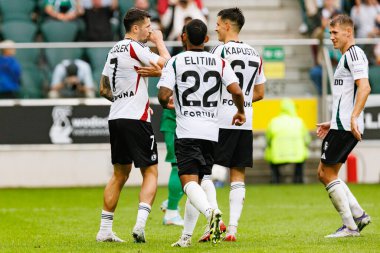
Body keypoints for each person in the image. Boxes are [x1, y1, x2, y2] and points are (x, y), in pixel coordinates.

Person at [157, 19, 246, 247]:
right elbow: (236, 90)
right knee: (202, 180)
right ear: (207, 39)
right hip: (211, 132)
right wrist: (240, 111)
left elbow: (163, 95)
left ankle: (211, 213)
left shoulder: (175, 62)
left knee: (188, 183)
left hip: (187, 130)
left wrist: (170, 101)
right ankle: (186, 238)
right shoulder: (220, 62)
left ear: (182, 37)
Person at [96, 8, 170, 243]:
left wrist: (125, 99)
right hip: (136, 118)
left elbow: (104, 88)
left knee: (120, 174)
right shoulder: (135, 47)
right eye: (148, 26)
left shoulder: (113, 49)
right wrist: (159, 41)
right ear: (136, 28)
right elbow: (169, 66)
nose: (150, 30)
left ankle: (104, 230)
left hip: (116, 116)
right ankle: (139, 225)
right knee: (150, 171)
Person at [196, 8, 266, 243]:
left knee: (203, 171)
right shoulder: (255, 54)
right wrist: (242, 102)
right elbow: (260, 92)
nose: (214, 28)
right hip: (244, 121)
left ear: (227, 25)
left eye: (217, 24)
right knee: (238, 175)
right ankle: (233, 229)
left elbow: (209, 86)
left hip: (219, 119)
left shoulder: (219, 51)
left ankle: (214, 220)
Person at [317, 14, 371, 238]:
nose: (331, 37)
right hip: (340, 124)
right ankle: (358, 216)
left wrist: (352, 118)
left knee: (326, 173)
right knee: (326, 173)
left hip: (346, 126)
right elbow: (346, 96)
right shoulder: (346, 56)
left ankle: (351, 226)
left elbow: (365, 87)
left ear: (348, 32)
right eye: (330, 33)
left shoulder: (354, 54)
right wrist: (334, 121)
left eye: (335, 33)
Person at [264, 98, 311, 184]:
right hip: (297, 155)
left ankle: (275, 179)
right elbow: (307, 140)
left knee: (270, 153)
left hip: (277, 155)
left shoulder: (274, 121)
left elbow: (268, 139)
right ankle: (298, 179)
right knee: (301, 157)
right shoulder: (299, 121)